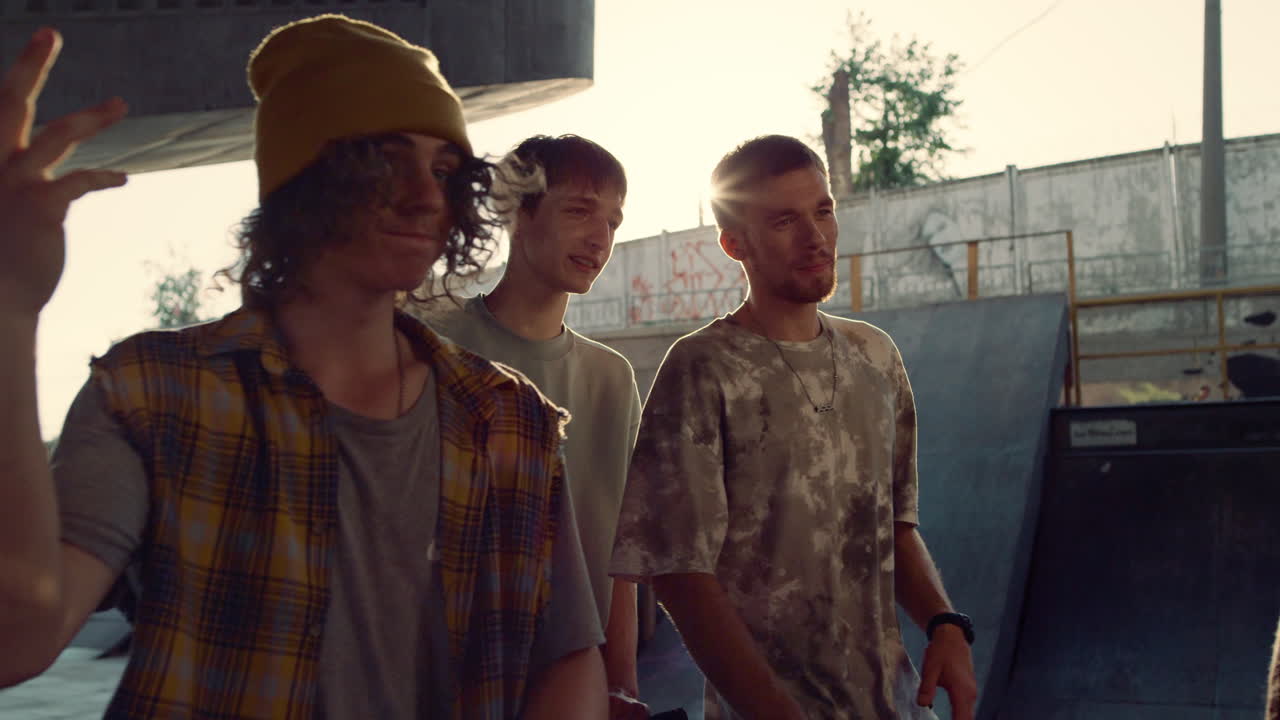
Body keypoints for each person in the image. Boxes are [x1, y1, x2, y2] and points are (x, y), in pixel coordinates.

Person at [0, 15, 606, 719]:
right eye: (383, 160)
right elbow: (19, 641)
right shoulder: (153, 396)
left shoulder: (510, 418)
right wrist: (12, 309)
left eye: (445, 171)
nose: (425, 197)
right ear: (300, 182)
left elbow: (566, 656)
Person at [609, 135, 979, 720]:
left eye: (823, 211)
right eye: (784, 220)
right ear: (735, 242)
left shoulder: (875, 355)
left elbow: (896, 527)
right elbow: (681, 573)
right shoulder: (703, 367)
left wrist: (945, 623)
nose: (815, 237)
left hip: (899, 704)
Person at [425, 134, 647, 719]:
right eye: (578, 210)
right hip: (455, 675)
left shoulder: (611, 378)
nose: (600, 238)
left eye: (614, 221)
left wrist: (621, 685)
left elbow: (623, 557)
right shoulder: (435, 344)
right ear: (516, 214)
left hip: (576, 686)